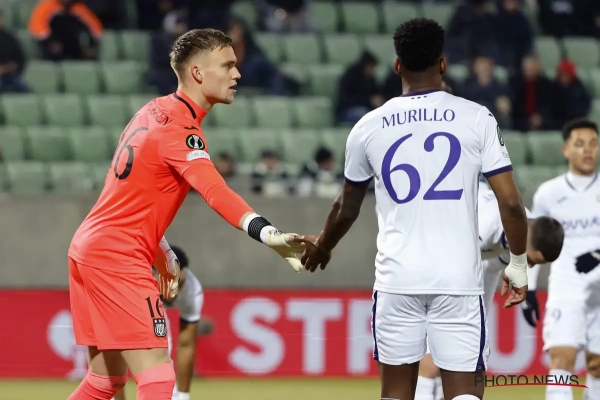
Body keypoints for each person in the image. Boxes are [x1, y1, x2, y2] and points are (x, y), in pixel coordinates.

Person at [292, 18, 529, 400]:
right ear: (443, 64)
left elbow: (346, 207)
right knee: (465, 391)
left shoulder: (368, 126)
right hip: (457, 279)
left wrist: (323, 246)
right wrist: (517, 265)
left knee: (397, 392)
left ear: (397, 65)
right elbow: (512, 203)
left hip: (397, 278)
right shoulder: (477, 117)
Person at [66, 28, 305, 400]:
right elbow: (215, 191)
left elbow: (134, 202)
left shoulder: (152, 110)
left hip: (89, 247)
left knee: (104, 382)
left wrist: (163, 255)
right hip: (119, 255)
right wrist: (268, 234)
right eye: (226, 65)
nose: (236, 74)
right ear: (197, 72)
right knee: (159, 378)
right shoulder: (181, 130)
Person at [415, 180, 565, 400]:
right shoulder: (486, 223)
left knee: (473, 359)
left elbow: (495, 265)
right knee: (431, 360)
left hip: (471, 267)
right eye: (531, 260)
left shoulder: (527, 227)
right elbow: (448, 262)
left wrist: (482, 321)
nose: (530, 266)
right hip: (431, 259)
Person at [527, 118, 600, 400]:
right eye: (580, 144)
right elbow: (534, 243)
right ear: (565, 150)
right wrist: (529, 288)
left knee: (597, 365)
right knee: (562, 358)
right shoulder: (549, 193)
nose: (588, 150)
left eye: (593, 143)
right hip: (567, 286)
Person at [113, 246, 205, 400]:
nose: (175, 292)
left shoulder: (192, 291)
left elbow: (186, 344)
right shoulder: (130, 283)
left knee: (161, 345)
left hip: (149, 298)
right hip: (119, 299)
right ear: (153, 273)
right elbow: (113, 350)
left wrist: (183, 397)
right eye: (170, 282)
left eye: (180, 284)